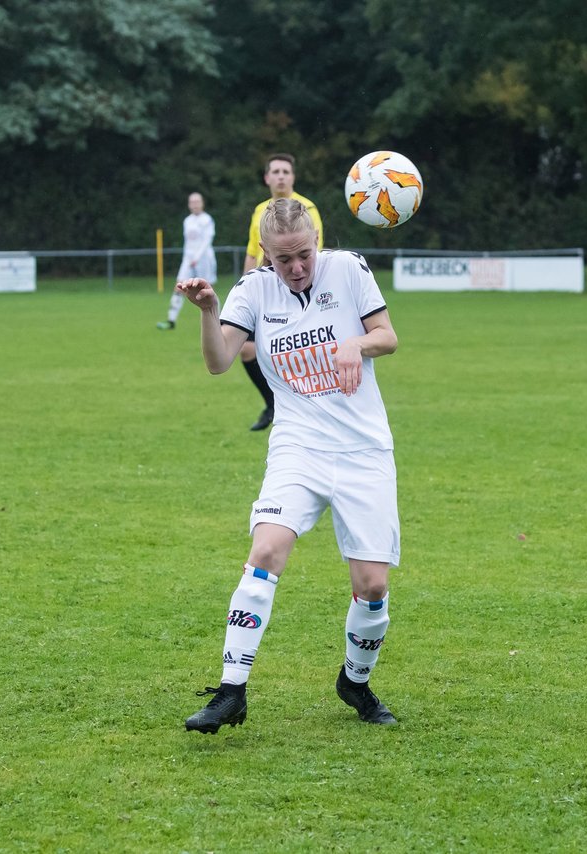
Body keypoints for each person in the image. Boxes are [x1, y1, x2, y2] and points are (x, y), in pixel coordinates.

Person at [177, 198, 399, 733]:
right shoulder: (252, 290)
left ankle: (355, 682)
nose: (296, 268)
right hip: (298, 446)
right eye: (283, 260)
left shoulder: (347, 269)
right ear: (266, 255)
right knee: (266, 549)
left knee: (371, 586)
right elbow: (218, 362)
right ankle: (232, 691)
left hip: (364, 449)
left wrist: (356, 343)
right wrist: (208, 313)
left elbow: (387, 336)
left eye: (303, 255)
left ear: (316, 242)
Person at [239, 154, 323, 430]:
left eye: (286, 171)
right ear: (266, 178)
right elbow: (254, 252)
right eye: (275, 171)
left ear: (293, 177)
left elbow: (313, 254)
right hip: (266, 296)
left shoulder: (306, 207)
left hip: (299, 292)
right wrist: (245, 291)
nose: (281, 176)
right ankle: (273, 403)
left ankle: (303, 407)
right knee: (247, 350)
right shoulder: (260, 210)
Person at [158, 192, 215, 331]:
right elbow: (188, 243)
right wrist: (188, 259)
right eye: (192, 202)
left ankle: (217, 321)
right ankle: (171, 320)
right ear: (189, 205)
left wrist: (197, 257)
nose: (195, 204)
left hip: (204, 259)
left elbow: (207, 241)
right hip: (189, 260)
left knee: (207, 290)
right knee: (179, 286)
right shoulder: (187, 221)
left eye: (197, 201)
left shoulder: (207, 219)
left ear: (202, 203)